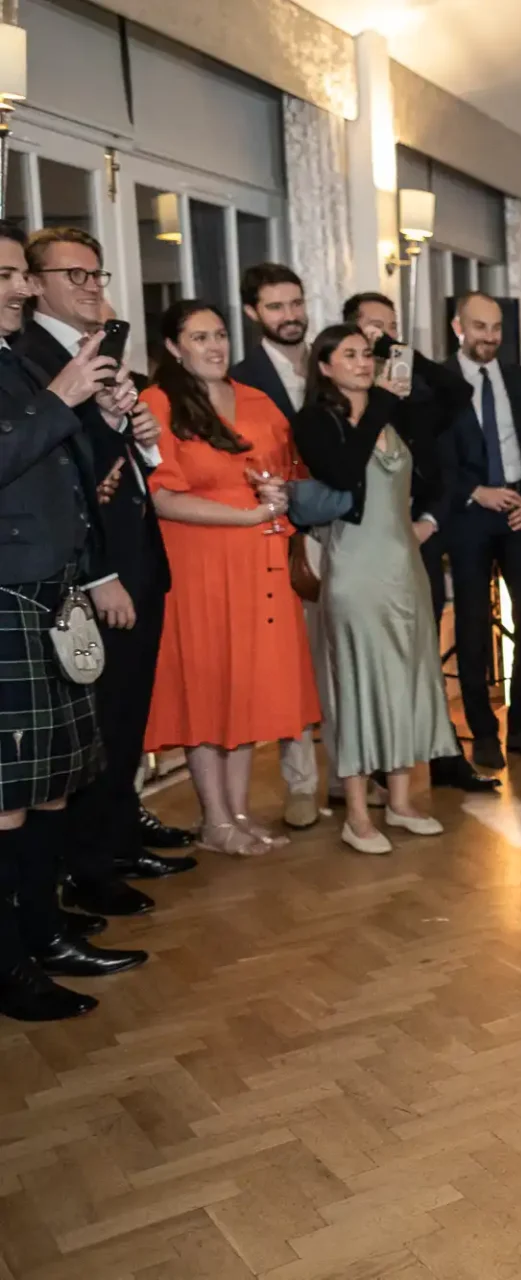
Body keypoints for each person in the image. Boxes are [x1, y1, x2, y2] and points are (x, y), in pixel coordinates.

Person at [15, 227, 193, 919]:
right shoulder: (34, 359)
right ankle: (88, 865)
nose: (93, 287)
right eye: (76, 276)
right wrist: (100, 575)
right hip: (93, 570)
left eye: (97, 274)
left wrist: (144, 441)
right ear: (36, 285)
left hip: (137, 554)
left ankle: (116, 837)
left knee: (125, 716)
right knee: (99, 723)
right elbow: (67, 476)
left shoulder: (104, 354)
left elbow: (117, 458)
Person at [0, 223, 149, 1021]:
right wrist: (62, 398)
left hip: (52, 593)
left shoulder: (18, 360)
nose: (21, 289)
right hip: (8, 598)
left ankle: (46, 932)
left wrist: (111, 420)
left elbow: (68, 464)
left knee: (55, 784)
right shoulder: (31, 372)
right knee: (8, 800)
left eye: (23, 275)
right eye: (7, 276)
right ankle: (11, 965)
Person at [140, 300, 322, 855]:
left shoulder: (257, 399)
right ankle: (214, 819)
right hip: (198, 564)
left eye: (219, 334)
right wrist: (247, 514)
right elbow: (162, 495)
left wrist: (276, 497)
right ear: (173, 347)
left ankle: (238, 812)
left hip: (259, 560)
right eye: (198, 337)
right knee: (206, 690)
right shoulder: (158, 403)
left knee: (245, 690)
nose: (214, 346)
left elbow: (294, 469)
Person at [290, 325, 454, 853]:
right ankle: (357, 813)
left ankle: (402, 801)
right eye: (351, 355)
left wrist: (405, 355)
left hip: (404, 562)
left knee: (408, 673)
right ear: (324, 366)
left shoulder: (395, 411)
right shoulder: (317, 420)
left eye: (369, 354)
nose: (363, 363)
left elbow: (454, 400)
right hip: (355, 565)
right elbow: (340, 471)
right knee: (358, 682)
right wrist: (378, 404)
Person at [340, 291, 499, 795]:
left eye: (390, 326)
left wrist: (431, 519)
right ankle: (378, 766)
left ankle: (443, 754)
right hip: (364, 546)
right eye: (370, 328)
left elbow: (457, 391)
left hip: (420, 536)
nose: (381, 336)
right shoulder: (337, 405)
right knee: (379, 658)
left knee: (425, 651)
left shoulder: (414, 396)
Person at [436, 291, 521, 770]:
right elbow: (434, 456)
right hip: (469, 515)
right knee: (471, 624)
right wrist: (475, 491)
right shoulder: (438, 382)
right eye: (480, 327)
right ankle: (483, 731)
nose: (489, 337)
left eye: (496, 328)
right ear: (458, 326)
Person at [229, 263, 327, 829]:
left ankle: (350, 775)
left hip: (348, 528)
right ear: (253, 313)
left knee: (342, 662)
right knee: (299, 663)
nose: (290, 315)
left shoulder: (336, 361)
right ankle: (301, 783)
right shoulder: (240, 378)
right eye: (275, 307)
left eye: (295, 303)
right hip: (280, 540)